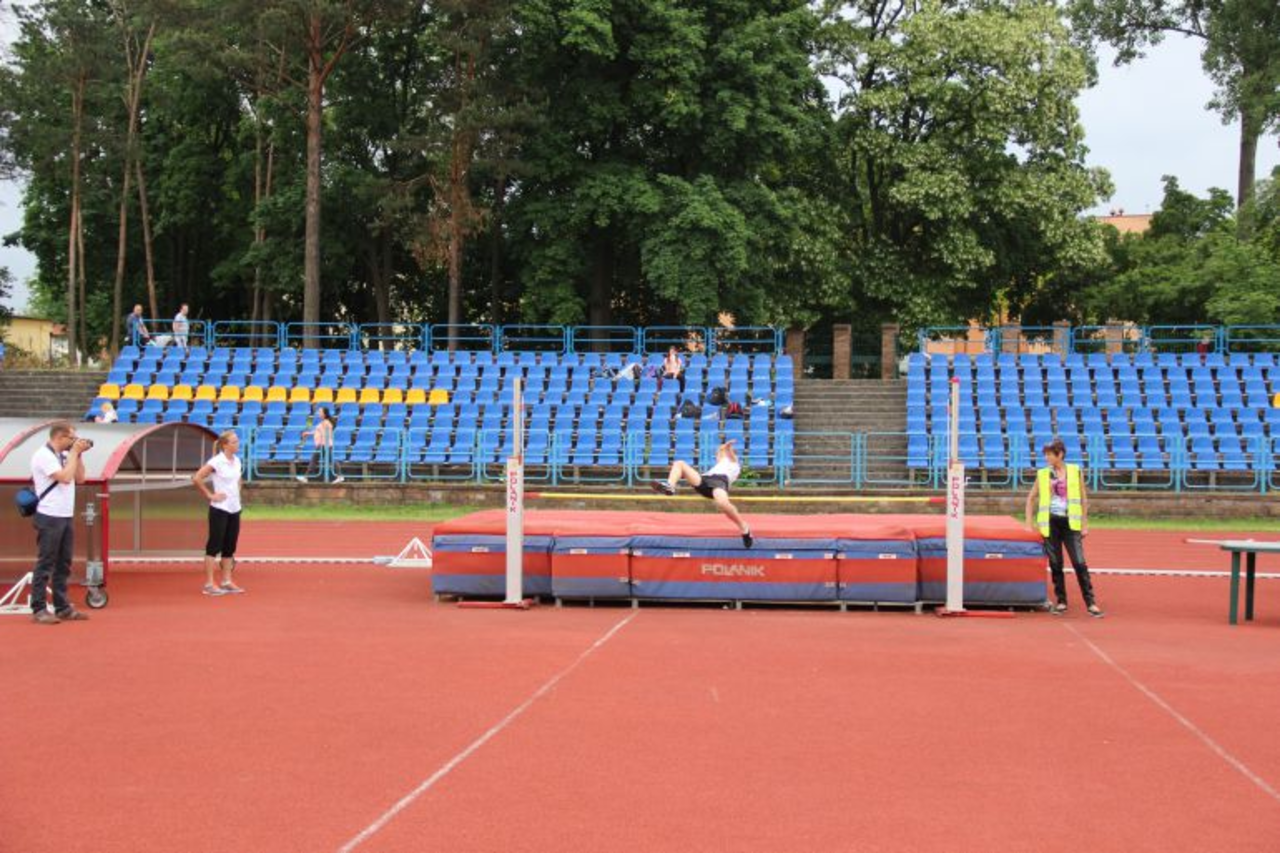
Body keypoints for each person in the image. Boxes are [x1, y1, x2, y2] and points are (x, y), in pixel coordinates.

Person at [1024, 437, 1103, 617]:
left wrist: (1084, 525)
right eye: (1045, 455)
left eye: (1049, 455)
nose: (1046, 458)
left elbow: (1083, 498)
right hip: (1050, 523)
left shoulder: (1075, 471)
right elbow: (1031, 498)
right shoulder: (1042, 474)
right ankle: (1061, 601)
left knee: (1079, 563)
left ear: (1060, 455)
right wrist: (1028, 524)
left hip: (1071, 523)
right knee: (1056, 563)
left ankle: (1091, 602)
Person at [28, 422, 92, 624]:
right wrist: (74, 453)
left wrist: (78, 455)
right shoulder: (43, 455)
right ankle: (39, 608)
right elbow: (64, 477)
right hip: (49, 515)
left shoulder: (66, 455)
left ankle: (62, 607)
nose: (74, 442)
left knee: (64, 563)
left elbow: (80, 479)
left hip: (65, 515)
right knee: (46, 562)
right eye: (71, 438)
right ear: (59, 437)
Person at [650, 440, 753, 548]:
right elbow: (720, 452)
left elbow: (729, 454)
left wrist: (728, 447)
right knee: (679, 463)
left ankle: (744, 527)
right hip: (705, 479)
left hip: (719, 482)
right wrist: (722, 448)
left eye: (721, 454)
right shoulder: (721, 462)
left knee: (723, 503)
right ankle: (670, 486)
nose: (718, 455)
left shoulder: (734, 463)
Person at [193, 431, 245, 596]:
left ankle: (226, 581)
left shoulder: (237, 460)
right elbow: (197, 478)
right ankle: (209, 584)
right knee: (214, 546)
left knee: (230, 546)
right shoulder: (216, 461)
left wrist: (237, 492)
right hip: (220, 509)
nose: (237, 444)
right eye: (234, 442)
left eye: (237, 441)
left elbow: (238, 479)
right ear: (225, 445)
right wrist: (210, 495)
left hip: (234, 508)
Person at [297, 406, 345, 484]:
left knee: (318, 460)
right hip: (323, 445)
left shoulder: (326, 422)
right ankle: (306, 477)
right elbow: (318, 431)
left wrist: (320, 439)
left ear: (324, 413)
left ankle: (306, 477)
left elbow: (326, 433)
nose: (318, 413)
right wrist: (308, 433)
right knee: (321, 460)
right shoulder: (324, 422)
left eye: (320, 412)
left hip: (324, 445)